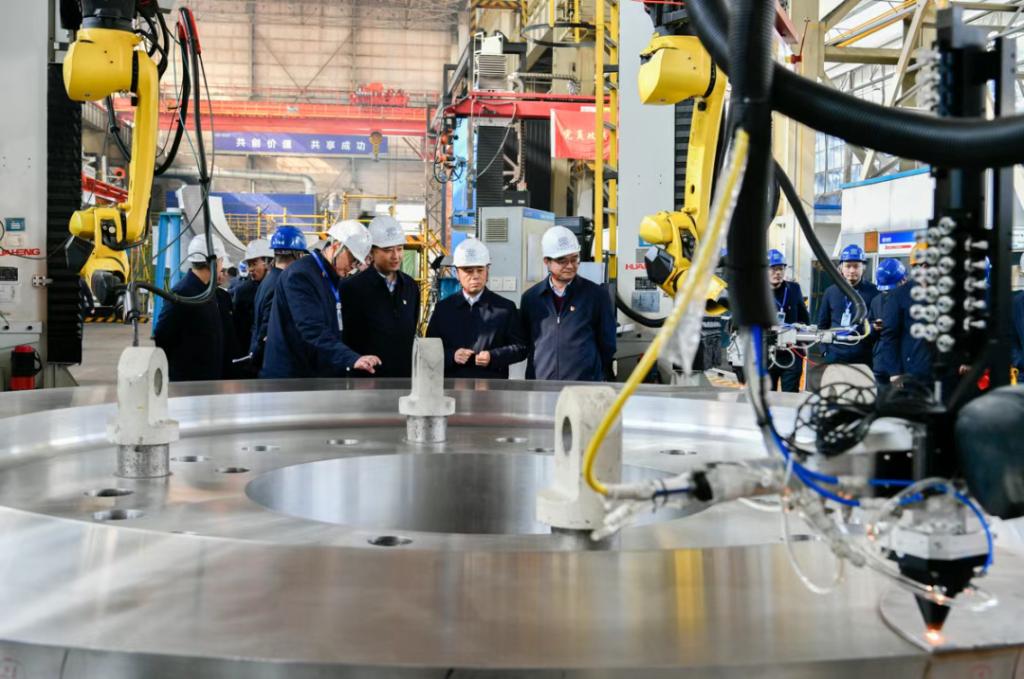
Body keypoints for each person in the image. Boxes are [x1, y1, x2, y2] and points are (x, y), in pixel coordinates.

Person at [261, 220, 381, 378]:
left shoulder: (329, 277)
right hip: (291, 377)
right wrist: (350, 358)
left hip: (312, 371)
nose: (353, 266)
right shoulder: (301, 275)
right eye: (353, 259)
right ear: (337, 246)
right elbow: (311, 328)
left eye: (358, 262)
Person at [520, 225, 617, 382]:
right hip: (542, 385)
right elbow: (525, 343)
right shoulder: (531, 298)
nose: (570, 265)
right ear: (547, 261)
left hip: (583, 387)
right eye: (562, 260)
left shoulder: (596, 295)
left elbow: (608, 345)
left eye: (574, 259)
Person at [426, 238, 527, 378]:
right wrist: (452, 355)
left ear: (487, 271)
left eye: (480, 270)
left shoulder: (505, 308)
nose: (475, 276)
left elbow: (521, 348)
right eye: (468, 271)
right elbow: (429, 349)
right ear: (457, 273)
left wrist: (493, 356)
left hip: (493, 386)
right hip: (452, 386)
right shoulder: (443, 310)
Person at [339, 215, 419, 378]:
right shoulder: (352, 288)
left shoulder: (410, 287)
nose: (396, 256)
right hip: (366, 379)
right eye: (388, 250)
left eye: (399, 249)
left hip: (403, 379)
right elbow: (345, 337)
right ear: (371, 251)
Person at [153, 233, 227, 382]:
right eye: (221, 261)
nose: (222, 266)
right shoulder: (182, 293)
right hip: (188, 381)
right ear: (213, 262)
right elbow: (162, 336)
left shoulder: (207, 290)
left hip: (205, 379)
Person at [250, 226, 307, 371]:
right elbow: (267, 330)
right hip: (273, 361)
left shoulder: (268, 280)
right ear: (298, 255)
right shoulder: (282, 284)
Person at [879, 245, 933, 388]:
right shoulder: (899, 295)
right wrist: (894, 371)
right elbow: (890, 336)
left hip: (945, 373)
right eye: (922, 265)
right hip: (913, 373)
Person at [817, 244, 879, 368]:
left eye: (856, 266)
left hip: (863, 355)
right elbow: (822, 324)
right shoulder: (830, 292)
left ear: (863, 267)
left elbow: (876, 324)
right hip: (835, 354)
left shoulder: (874, 292)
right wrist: (824, 351)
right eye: (848, 266)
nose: (852, 271)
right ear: (841, 268)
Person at [767, 249, 809, 392]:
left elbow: (804, 318)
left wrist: (803, 342)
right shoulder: (757, 292)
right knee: (766, 396)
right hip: (766, 354)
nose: (778, 273)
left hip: (792, 352)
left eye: (781, 269)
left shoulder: (794, 289)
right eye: (773, 269)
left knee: (790, 396)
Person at [870, 257, 908, 392]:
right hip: (881, 364)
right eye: (885, 291)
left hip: (903, 365)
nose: (888, 294)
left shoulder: (911, 301)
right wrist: (874, 327)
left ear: (904, 280)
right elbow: (868, 326)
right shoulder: (876, 301)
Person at [232, 238, 272, 358]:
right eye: (249, 265)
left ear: (268, 262)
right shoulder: (243, 291)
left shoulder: (276, 287)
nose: (250, 269)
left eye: (254, 264)